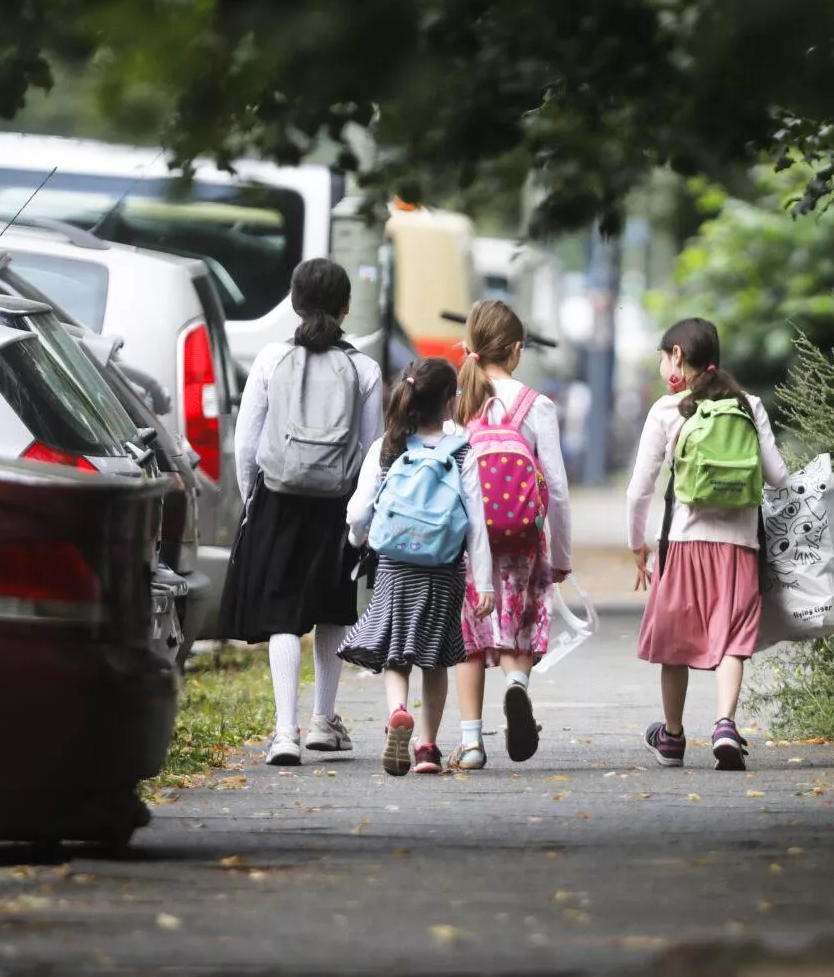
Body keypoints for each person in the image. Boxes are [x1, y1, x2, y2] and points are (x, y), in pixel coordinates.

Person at [218, 258, 383, 767]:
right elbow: (371, 448)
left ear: (294, 303)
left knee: (283, 613)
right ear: (346, 305)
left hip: (279, 500)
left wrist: (253, 498)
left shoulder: (272, 359)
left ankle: (285, 732)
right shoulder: (364, 369)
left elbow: (246, 444)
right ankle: (323, 721)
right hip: (339, 504)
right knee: (333, 610)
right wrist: (364, 516)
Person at [625, 318, 787, 770]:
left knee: (675, 643)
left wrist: (637, 543)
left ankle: (672, 736)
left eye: (662, 357)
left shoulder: (667, 411)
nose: (662, 366)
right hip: (740, 546)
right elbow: (778, 477)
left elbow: (639, 490)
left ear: (677, 355)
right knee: (733, 639)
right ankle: (724, 726)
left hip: (684, 543)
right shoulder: (749, 405)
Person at [340, 358, 496, 776]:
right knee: (436, 658)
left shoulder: (388, 446)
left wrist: (358, 539)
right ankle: (427, 749)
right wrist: (485, 584)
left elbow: (358, 511)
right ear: (448, 400)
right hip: (444, 568)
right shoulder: (462, 451)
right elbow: (477, 523)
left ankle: (397, 711)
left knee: (396, 654)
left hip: (395, 565)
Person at [448, 300, 573, 770]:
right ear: (516, 350)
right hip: (523, 539)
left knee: (471, 638)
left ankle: (471, 743)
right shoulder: (536, 405)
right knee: (515, 627)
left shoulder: (459, 403)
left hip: (469, 541)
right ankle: (516, 686)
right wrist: (561, 556)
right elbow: (556, 488)